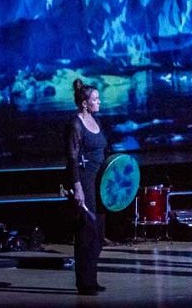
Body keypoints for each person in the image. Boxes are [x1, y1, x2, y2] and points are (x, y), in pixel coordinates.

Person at [64, 78, 108, 295]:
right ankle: (84, 283)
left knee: (98, 232)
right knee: (86, 231)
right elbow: (72, 158)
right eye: (95, 99)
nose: (99, 102)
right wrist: (77, 187)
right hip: (85, 179)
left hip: (100, 181)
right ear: (84, 103)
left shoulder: (95, 120)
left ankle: (92, 278)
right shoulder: (75, 124)